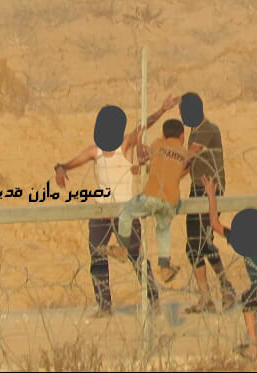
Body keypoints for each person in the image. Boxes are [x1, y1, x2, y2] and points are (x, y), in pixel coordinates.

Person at [53, 98, 179, 316]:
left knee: (136, 256)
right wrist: (59, 168)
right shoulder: (96, 151)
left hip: (124, 212)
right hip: (101, 212)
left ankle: (153, 300)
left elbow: (142, 127)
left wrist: (161, 110)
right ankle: (104, 305)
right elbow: (69, 163)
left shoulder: (125, 146)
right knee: (98, 255)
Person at [201, 175, 257, 361]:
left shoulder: (244, 241)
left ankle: (252, 347)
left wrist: (211, 195)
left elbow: (214, 224)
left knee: (247, 301)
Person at [117, 118, 205, 284]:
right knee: (163, 229)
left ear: (164, 135)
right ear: (182, 136)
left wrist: (138, 139)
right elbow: (174, 170)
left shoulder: (159, 144)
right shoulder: (183, 152)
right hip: (171, 201)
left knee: (125, 212)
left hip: (152, 196)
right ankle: (165, 267)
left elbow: (142, 157)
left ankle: (122, 248)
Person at [180, 92, 236, 314]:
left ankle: (226, 287)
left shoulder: (208, 130)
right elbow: (186, 166)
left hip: (211, 189)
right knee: (193, 245)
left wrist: (163, 160)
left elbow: (189, 154)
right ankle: (206, 298)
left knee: (201, 241)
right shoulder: (195, 131)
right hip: (197, 189)